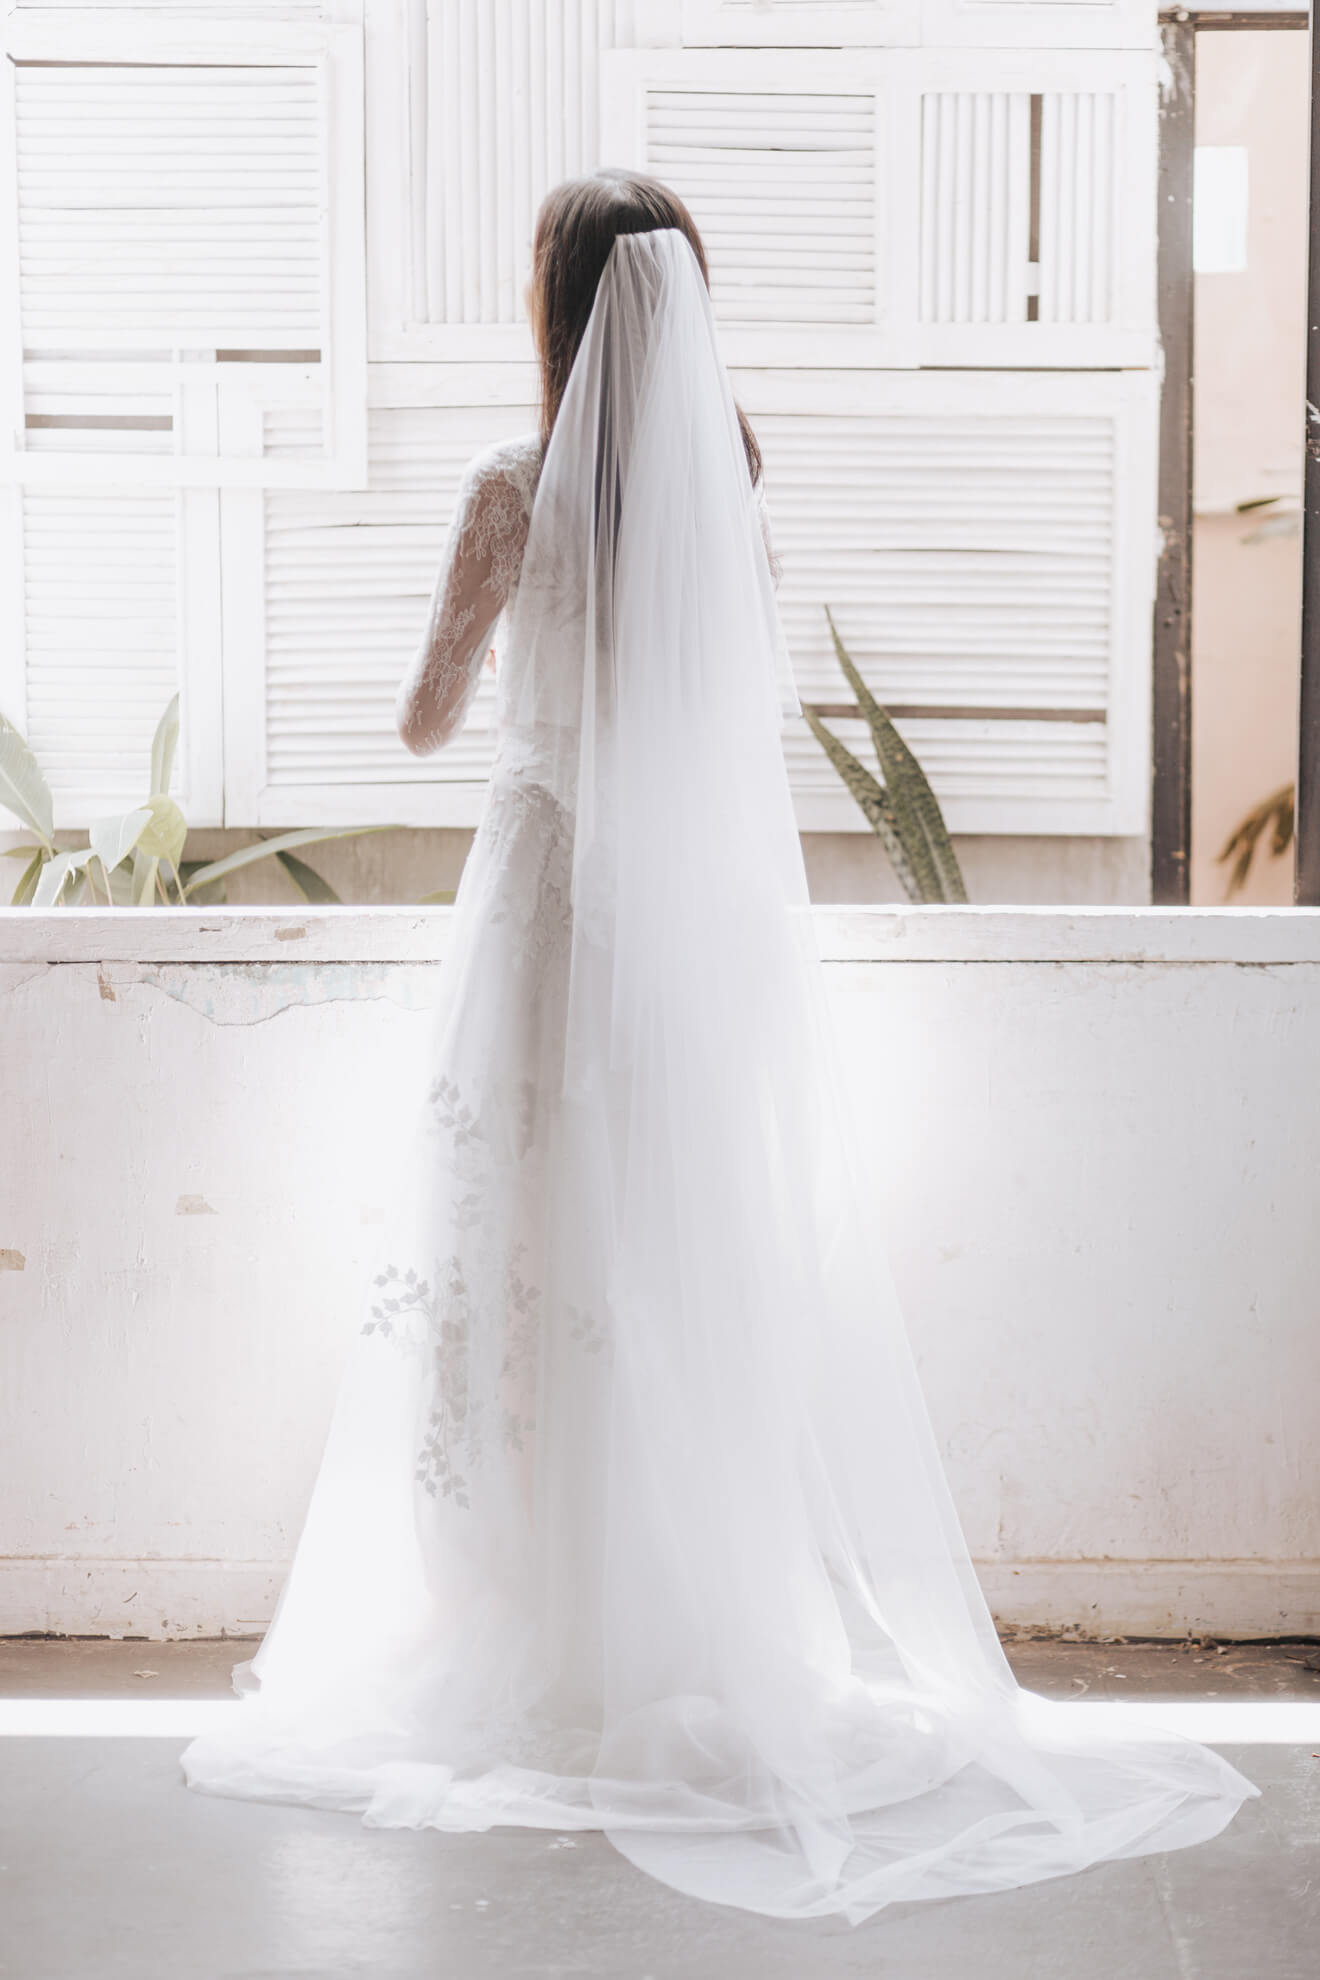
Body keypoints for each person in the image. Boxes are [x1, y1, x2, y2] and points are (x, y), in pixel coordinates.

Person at [181, 171, 1257, 1925]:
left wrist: (486, 639)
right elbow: (715, 754)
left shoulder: (504, 496)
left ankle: (524, 1618)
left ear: (555, 310)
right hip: (674, 955)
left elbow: (422, 716)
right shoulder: (729, 510)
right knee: (673, 1267)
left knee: (517, 1247)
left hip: (536, 925)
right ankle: (672, 1613)